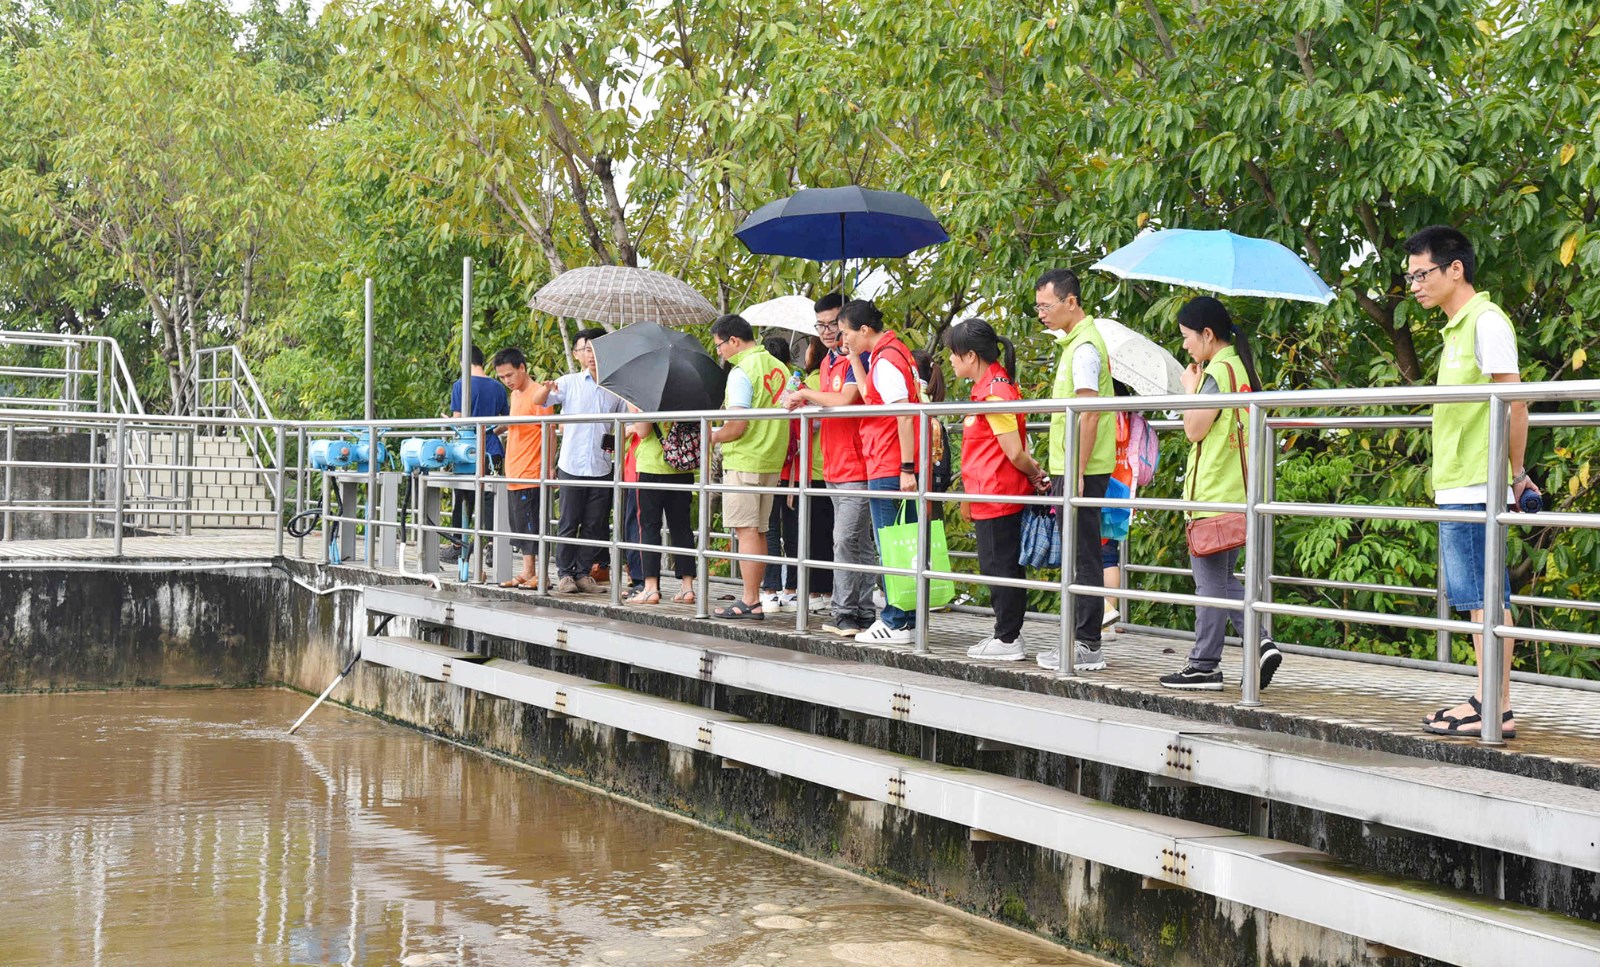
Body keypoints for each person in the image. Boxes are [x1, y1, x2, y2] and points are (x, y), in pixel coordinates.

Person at [1407, 225, 1537, 738]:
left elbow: (1515, 402)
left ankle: (1495, 708)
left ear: (1454, 269)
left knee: (1486, 596)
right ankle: (1490, 699)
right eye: (1410, 276)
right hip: (1459, 481)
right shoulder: (1457, 328)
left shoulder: (1486, 322)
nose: (1415, 285)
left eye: (1422, 274)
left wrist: (1516, 474)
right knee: (1479, 596)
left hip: (1478, 484)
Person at [1157, 296, 1283, 691]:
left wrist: (1191, 389)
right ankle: (1259, 642)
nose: (1185, 346)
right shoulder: (1240, 368)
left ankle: (1204, 664)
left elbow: (1194, 429)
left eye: (1187, 337)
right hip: (1235, 489)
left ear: (1207, 335)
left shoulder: (1217, 372)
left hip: (1212, 490)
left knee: (1209, 581)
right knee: (1223, 579)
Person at [945, 319, 1048, 660]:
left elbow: (1015, 452)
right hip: (988, 492)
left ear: (971, 356)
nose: (950, 360)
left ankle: (1007, 638)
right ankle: (1005, 635)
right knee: (996, 565)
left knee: (1000, 567)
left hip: (999, 494)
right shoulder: (989, 388)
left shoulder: (996, 391)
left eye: (953, 354)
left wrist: (1035, 475)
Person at [1034, 268, 1111, 671]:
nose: (1041, 313)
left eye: (1046, 306)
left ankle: (1087, 644)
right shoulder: (1075, 344)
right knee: (1080, 553)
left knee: (1083, 555)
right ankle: (1082, 640)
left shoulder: (1084, 348)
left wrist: (1077, 471)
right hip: (1074, 464)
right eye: (1038, 306)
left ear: (1071, 302)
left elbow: (1090, 414)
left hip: (1080, 466)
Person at [785, 293, 875, 637]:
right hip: (834, 463)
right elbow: (829, 406)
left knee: (845, 539)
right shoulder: (827, 362)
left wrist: (806, 395)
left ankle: (845, 611)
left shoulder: (860, 357)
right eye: (820, 325)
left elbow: (847, 399)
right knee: (857, 542)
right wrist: (804, 403)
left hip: (859, 463)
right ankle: (862, 610)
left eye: (833, 324)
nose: (826, 331)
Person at [839, 299, 922, 644]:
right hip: (887, 458)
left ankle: (897, 619)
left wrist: (906, 468)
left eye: (845, 333)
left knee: (892, 544)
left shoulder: (886, 361)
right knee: (900, 542)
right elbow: (871, 396)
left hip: (889, 462)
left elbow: (902, 414)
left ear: (863, 330)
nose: (842, 339)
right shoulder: (889, 353)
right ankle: (905, 616)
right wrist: (854, 360)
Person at [524, 328, 628, 595]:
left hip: (601, 463)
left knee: (595, 524)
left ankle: (584, 573)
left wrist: (617, 442)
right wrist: (545, 389)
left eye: (596, 349)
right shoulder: (569, 382)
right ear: (577, 354)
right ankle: (565, 574)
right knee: (569, 521)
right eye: (586, 350)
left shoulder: (615, 387)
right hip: (572, 463)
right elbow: (540, 400)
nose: (591, 355)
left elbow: (625, 422)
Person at [709, 314, 789, 619]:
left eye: (719, 345)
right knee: (759, 531)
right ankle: (755, 597)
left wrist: (712, 436)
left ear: (734, 340)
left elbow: (737, 425)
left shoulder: (742, 370)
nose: (719, 351)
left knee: (745, 532)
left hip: (745, 458)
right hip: (771, 458)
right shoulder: (778, 366)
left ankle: (750, 598)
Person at [490, 347, 552, 588]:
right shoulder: (515, 395)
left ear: (522, 368)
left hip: (531, 469)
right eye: (502, 377)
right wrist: (501, 427)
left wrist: (548, 466)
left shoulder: (539, 394)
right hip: (514, 468)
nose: (507, 381)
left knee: (532, 524)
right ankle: (527, 571)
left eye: (510, 375)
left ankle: (540, 575)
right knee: (519, 525)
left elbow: (549, 431)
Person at [622, 408, 697, 606]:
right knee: (682, 528)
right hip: (682, 467)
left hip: (651, 467)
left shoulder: (647, 395)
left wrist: (634, 410)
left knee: (648, 527)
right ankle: (687, 587)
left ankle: (650, 588)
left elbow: (643, 431)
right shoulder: (685, 395)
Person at [443, 345, 509, 564]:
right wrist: (491, 431)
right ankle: (492, 546)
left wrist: (448, 422)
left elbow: (459, 419)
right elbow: (505, 422)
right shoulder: (499, 387)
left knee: (463, 497)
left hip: (467, 450)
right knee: (491, 498)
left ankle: (457, 545)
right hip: (492, 448)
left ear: (463, 362)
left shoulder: (461, 385)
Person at [759, 335, 800, 613]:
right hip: (793, 469)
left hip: (769, 465)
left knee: (769, 529)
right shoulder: (798, 386)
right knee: (794, 531)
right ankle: (792, 590)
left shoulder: (762, 385)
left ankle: (770, 589)